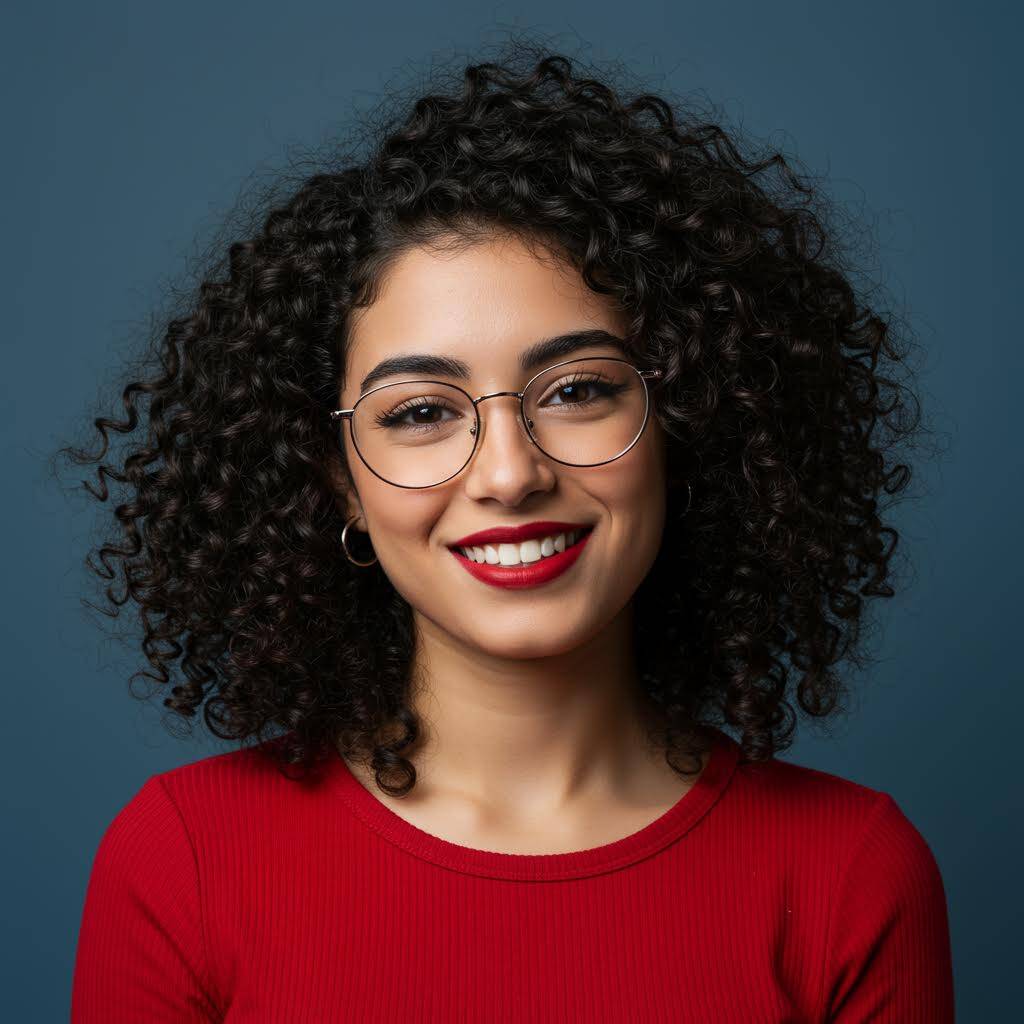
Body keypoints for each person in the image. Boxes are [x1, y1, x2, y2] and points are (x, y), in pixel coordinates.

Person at [65, 40, 954, 1022]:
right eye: (418, 411)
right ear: (340, 484)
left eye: (576, 391)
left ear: (685, 421)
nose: (509, 472)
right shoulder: (182, 861)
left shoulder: (850, 875)